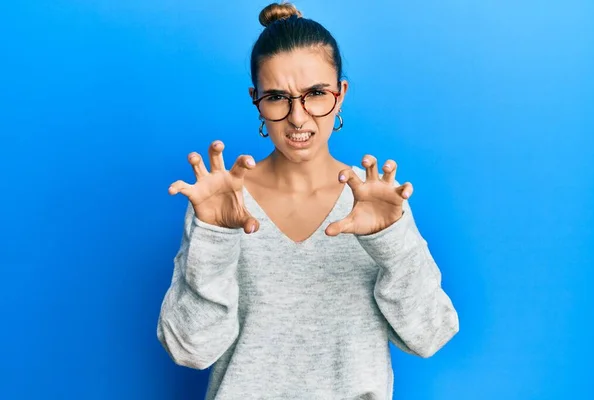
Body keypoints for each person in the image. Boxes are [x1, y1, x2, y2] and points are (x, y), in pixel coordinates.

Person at [156, 2, 459, 399]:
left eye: (316, 93)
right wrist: (214, 238)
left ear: (341, 93)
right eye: (278, 97)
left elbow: (429, 336)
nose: (298, 117)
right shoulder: (222, 204)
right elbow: (189, 349)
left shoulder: (377, 204)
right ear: (256, 100)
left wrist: (393, 242)